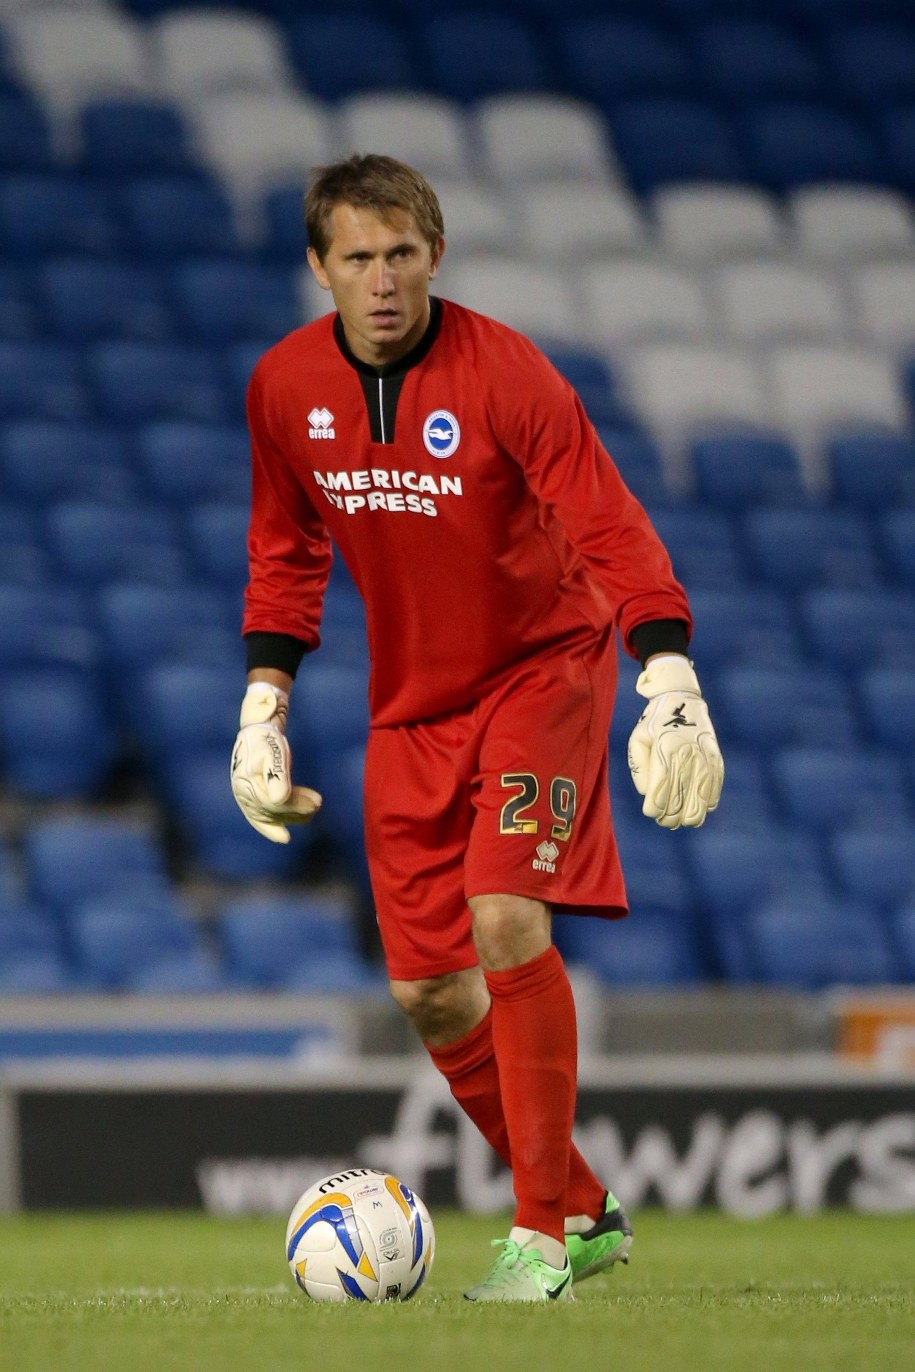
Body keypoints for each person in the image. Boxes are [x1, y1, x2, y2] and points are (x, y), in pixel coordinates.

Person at [231, 154, 724, 1303]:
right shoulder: (283, 387)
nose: (383, 280)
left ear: (435, 256)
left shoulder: (508, 373)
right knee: (430, 992)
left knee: (505, 915)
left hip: (540, 670)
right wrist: (263, 706)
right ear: (319, 267)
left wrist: (668, 669)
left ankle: (539, 1242)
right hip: (412, 706)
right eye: (358, 258)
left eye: (402, 254)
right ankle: (586, 1206)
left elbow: (607, 521)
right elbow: (285, 551)